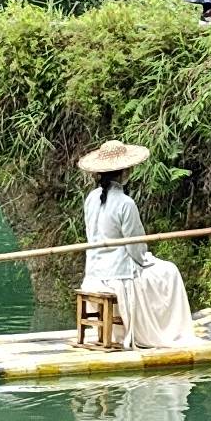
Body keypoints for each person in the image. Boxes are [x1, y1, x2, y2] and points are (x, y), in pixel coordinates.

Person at [76, 139, 195, 348]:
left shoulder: (91, 198)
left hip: (95, 270)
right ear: (126, 171)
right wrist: (144, 259)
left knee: (163, 270)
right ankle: (172, 330)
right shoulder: (125, 203)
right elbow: (136, 247)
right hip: (119, 274)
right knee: (170, 271)